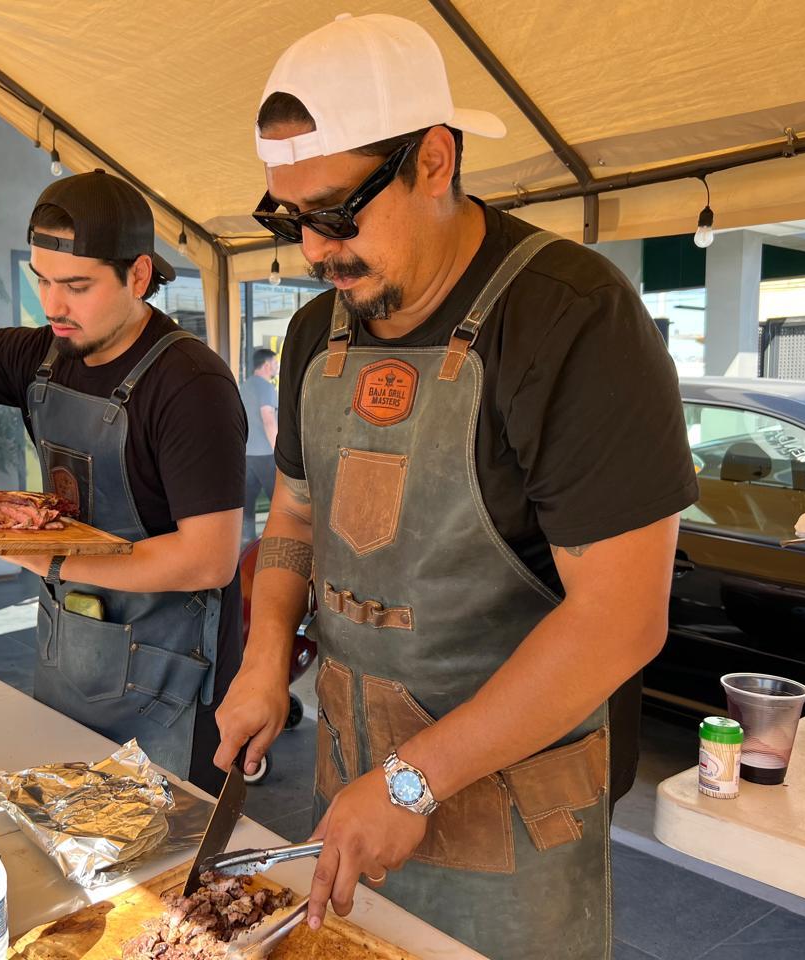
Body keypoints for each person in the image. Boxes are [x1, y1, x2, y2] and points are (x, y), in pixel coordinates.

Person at [212, 14, 698, 958]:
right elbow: (297, 518)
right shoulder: (320, 333)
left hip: (514, 815)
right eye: (288, 217)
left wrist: (413, 782)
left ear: (434, 159)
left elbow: (622, 618)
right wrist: (266, 654)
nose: (313, 249)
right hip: (353, 788)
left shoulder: (573, 320)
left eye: (336, 212)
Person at [0, 171, 247, 792]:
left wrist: (43, 556)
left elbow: (208, 560)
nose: (52, 306)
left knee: (169, 873)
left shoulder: (190, 385)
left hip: (171, 679)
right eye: (43, 280)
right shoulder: (36, 354)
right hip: (71, 648)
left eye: (77, 286)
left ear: (138, 277)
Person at [240, 348, 279, 543]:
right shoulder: (266, 387)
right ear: (266, 365)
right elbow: (268, 418)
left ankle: (246, 546)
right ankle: (275, 542)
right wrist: (279, 451)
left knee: (247, 504)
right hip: (266, 454)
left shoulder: (244, 386)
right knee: (280, 503)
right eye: (275, 363)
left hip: (246, 455)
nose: (277, 366)